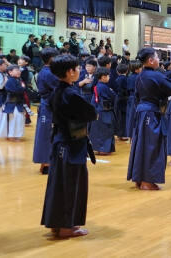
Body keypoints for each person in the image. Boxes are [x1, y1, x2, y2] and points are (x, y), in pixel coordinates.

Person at [41, 54, 97, 238]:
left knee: (59, 184)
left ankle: (57, 223)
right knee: (71, 184)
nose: (80, 71)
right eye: (77, 68)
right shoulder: (70, 94)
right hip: (71, 144)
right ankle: (66, 226)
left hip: (61, 142)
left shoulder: (57, 91)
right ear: (70, 71)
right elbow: (91, 113)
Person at [127, 47, 171, 190]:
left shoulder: (140, 75)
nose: (159, 60)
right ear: (151, 60)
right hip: (151, 113)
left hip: (141, 111)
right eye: (157, 57)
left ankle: (139, 177)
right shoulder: (156, 75)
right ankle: (147, 181)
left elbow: (137, 96)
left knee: (141, 144)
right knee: (152, 145)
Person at [32, 47, 60, 174]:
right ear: (52, 58)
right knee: (47, 135)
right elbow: (59, 87)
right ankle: (46, 163)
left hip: (49, 105)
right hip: (48, 106)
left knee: (49, 134)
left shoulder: (48, 71)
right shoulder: (48, 73)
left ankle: (48, 162)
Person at [88, 67, 116, 155]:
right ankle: (104, 149)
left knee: (98, 130)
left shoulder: (96, 86)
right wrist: (112, 92)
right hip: (105, 112)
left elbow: (93, 101)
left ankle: (98, 148)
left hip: (98, 111)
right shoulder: (104, 88)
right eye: (108, 76)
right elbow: (113, 96)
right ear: (103, 77)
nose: (109, 77)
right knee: (107, 131)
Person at [0, 65, 26, 140]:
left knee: (19, 120)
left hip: (17, 104)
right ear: (10, 72)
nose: (19, 72)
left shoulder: (18, 79)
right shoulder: (10, 81)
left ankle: (15, 135)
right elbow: (16, 91)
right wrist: (22, 87)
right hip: (12, 104)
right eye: (16, 70)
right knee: (13, 120)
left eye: (19, 70)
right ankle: (11, 135)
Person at [125, 60, 142, 138]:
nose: (142, 68)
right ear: (136, 69)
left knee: (131, 119)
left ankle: (132, 137)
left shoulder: (129, 77)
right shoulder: (138, 77)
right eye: (140, 67)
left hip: (130, 99)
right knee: (135, 119)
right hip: (136, 100)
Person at [114, 63, 130, 141]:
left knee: (119, 117)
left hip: (118, 99)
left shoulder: (117, 79)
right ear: (127, 71)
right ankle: (123, 134)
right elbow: (126, 90)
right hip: (124, 99)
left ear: (117, 71)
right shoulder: (125, 79)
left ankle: (119, 134)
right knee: (123, 118)